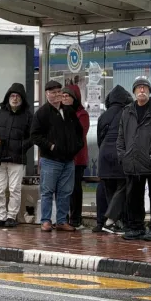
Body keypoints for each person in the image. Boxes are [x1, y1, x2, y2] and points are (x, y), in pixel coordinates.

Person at [117, 77, 151, 241]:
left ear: (149, 91)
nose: (142, 90)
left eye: (145, 88)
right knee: (133, 197)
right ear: (134, 91)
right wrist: (123, 156)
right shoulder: (127, 111)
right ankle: (136, 228)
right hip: (133, 163)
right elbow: (121, 137)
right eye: (139, 88)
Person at [31, 80, 84, 232]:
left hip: (68, 160)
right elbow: (35, 136)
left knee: (65, 192)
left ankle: (61, 221)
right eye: (53, 92)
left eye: (59, 92)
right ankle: (46, 220)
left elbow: (79, 131)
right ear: (46, 94)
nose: (56, 95)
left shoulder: (69, 111)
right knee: (47, 191)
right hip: (50, 160)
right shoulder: (41, 113)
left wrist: (76, 147)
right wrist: (51, 146)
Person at [0, 83, 32, 228]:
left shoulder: (28, 116)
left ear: (22, 98)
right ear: (8, 97)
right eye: (12, 95)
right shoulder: (0, 113)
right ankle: (0, 216)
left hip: (17, 159)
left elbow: (33, 137)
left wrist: (20, 147)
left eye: (17, 96)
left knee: (14, 189)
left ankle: (11, 216)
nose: (15, 98)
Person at [98, 85, 133, 234]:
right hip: (120, 154)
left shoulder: (103, 115)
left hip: (104, 155)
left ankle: (116, 223)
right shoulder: (128, 113)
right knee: (124, 185)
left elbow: (99, 138)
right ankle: (110, 221)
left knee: (110, 189)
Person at [62, 85, 89, 229]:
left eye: (68, 96)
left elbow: (80, 134)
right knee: (62, 189)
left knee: (75, 188)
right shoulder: (59, 113)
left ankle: (76, 218)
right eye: (63, 96)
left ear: (75, 98)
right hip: (62, 157)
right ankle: (63, 218)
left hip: (77, 158)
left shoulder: (82, 114)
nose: (65, 98)